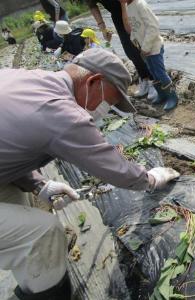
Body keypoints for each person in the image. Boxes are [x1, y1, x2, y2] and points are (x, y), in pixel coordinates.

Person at [0, 48, 180, 300]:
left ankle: (31, 284)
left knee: (20, 213)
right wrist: (150, 178)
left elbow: (7, 148)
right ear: (93, 82)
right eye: (110, 101)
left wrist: (39, 185)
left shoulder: (31, 79)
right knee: (42, 232)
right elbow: (112, 167)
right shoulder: (60, 111)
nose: (105, 110)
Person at [85, 0, 158, 101]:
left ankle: (153, 80)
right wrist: (103, 29)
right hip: (116, 15)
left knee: (140, 45)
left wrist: (126, 18)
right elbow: (92, 5)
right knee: (130, 51)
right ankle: (144, 78)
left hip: (131, 8)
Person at [120, 0, 179, 111]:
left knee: (160, 72)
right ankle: (161, 94)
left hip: (154, 46)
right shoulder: (129, 7)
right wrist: (135, 41)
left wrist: (146, 47)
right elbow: (133, 29)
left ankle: (172, 97)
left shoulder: (140, 5)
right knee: (152, 72)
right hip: (143, 48)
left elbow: (153, 26)